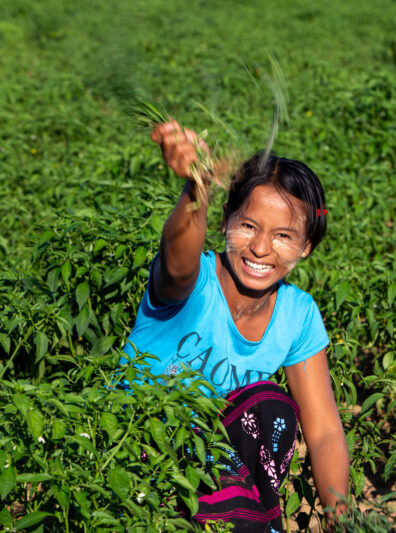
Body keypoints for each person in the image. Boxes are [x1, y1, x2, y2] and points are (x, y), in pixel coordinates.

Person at [122, 120, 349, 532]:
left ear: (307, 246)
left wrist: (341, 519)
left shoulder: (297, 315)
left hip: (220, 475)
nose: (261, 248)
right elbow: (175, 263)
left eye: (283, 235)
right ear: (225, 220)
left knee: (269, 404)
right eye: (248, 226)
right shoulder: (193, 282)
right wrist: (197, 189)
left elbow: (324, 432)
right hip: (137, 449)